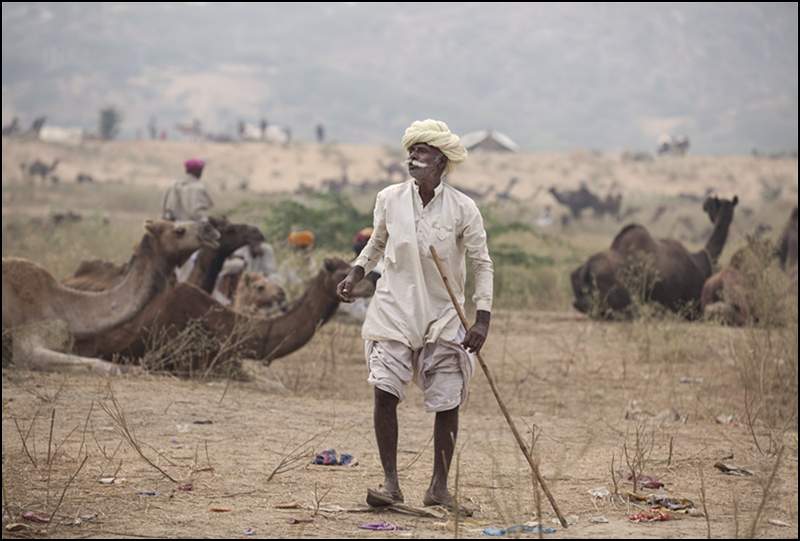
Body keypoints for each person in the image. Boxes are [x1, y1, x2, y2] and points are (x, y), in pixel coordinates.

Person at [337, 119, 493, 511]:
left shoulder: (463, 208)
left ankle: (439, 487)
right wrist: (355, 274)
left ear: (440, 160)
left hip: (443, 313)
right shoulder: (389, 198)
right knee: (384, 389)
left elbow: (482, 263)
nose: (412, 157)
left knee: (447, 399)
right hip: (393, 307)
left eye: (421, 152)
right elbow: (376, 243)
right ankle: (391, 483)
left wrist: (483, 319)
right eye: (411, 151)